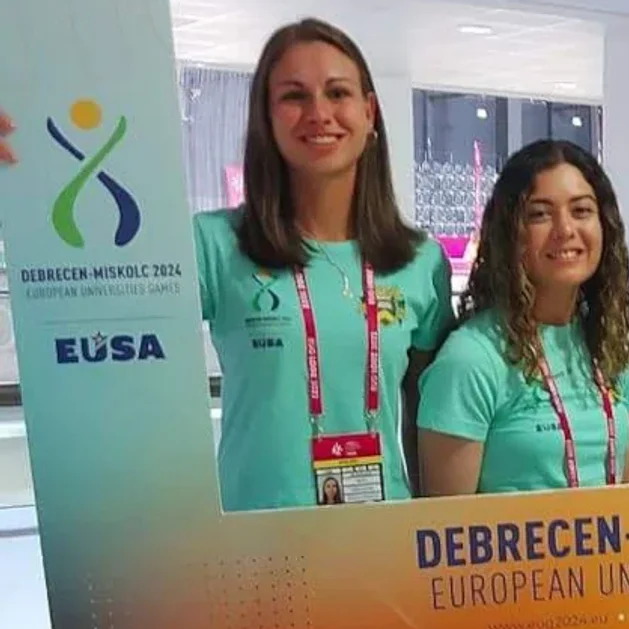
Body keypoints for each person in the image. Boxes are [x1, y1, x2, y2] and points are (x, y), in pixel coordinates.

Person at [0, 18, 454, 512]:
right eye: (294, 96)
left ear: (369, 112)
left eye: (337, 93)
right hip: (256, 537)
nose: (319, 113)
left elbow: (430, 422)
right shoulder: (215, 244)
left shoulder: (419, 261)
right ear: (266, 118)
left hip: (380, 535)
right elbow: (95, 300)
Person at [416, 139, 629, 496]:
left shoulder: (611, 347)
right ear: (510, 232)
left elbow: (623, 493)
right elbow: (447, 523)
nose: (565, 230)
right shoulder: (471, 359)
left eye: (581, 210)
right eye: (539, 214)